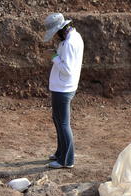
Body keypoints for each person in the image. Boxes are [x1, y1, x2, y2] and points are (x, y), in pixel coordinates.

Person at [43, 13, 84, 169]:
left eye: (55, 33)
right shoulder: (73, 37)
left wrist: (53, 56)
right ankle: (61, 153)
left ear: (61, 29)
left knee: (63, 123)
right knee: (59, 121)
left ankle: (66, 160)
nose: (54, 37)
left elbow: (67, 69)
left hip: (63, 88)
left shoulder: (69, 44)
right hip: (63, 86)